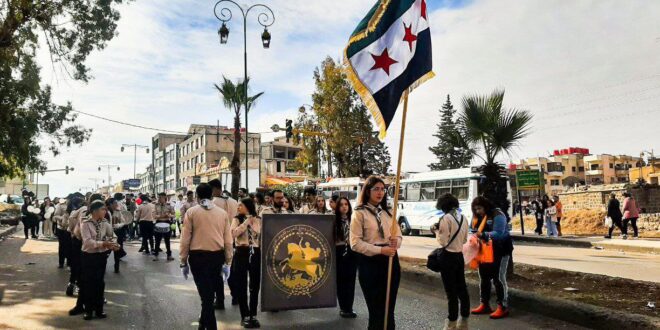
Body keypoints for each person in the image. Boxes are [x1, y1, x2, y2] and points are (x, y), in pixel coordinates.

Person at [350, 176, 402, 330]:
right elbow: (355, 243)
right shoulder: (359, 213)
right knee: (376, 310)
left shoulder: (388, 212)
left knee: (389, 308)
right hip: (370, 263)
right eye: (376, 189)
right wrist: (380, 250)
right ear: (367, 191)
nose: (380, 193)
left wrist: (396, 242)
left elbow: (398, 235)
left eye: (382, 189)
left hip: (391, 261)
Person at [179, 183, 233, 330]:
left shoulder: (191, 212)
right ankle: (204, 324)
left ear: (197, 196)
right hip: (217, 257)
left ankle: (209, 326)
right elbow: (228, 240)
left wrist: (183, 261)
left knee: (206, 296)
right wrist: (228, 261)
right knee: (208, 295)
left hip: (198, 258)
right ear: (211, 195)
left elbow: (185, 239)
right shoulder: (222, 214)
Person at [470, 196, 513, 320]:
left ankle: (502, 306)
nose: (478, 211)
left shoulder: (497, 215)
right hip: (484, 251)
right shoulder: (477, 217)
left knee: (498, 278)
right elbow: (473, 229)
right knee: (483, 277)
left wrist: (483, 234)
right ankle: (485, 303)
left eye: (480, 208)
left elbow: (499, 233)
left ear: (486, 206)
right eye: (476, 209)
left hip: (500, 250)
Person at [431, 193, 469, 330]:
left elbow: (442, 241)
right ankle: (464, 321)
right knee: (462, 289)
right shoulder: (464, 218)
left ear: (443, 206)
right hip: (459, 256)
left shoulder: (445, 218)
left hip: (447, 257)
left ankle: (451, 323)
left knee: (451, 292)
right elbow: (465, 240)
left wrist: (435, 230)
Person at [78, 200, 120, 320]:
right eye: (102, 209)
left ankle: (99, 310)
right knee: (88, 283)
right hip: (88, 256)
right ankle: (88, 311)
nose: (105, 211)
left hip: (101, 256)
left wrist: (114, 243)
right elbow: (87, 242)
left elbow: (112, 235)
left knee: (99, 283)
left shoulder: (105, 223)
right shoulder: (85, 223)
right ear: (95, 211)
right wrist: (104, 243)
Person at [231, 198, 262, 328]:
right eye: (238, 205)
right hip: (241, 252)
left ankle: (253, 314)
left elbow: (259, 233)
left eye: (240, 205)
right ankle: (244, 315)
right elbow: (233, 233)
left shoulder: (259, 219)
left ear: (248, 206)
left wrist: (252, 220)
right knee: (241, 284)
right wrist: (245, 223)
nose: (238, 207)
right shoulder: (236, 219)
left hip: (254, 251)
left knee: (254, 284)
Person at [335, 196, 358, 319]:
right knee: (341, 281)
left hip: (351, 251)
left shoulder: (354, 220)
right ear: (338, 207)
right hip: (339, 251)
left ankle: (349, 307)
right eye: (341, 205)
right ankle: (343, 307)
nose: (344, 207)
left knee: (351, 281)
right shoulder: (334, 221)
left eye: (346, 204)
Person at [107, 198, 128, 273]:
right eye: (115, 203)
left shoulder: (118, 212)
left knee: (117, 250)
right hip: (107, 234)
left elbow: (123, 222)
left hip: (117, 233)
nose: (117, 204)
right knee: (106, 251)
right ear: (110, 204)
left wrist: (118, 225)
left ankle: (117, 267)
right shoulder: (105, 212)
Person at [153, 192, 175, 261]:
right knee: (157, 240)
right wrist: (161, 216)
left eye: (161, 197)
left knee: (167, 240)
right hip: (158, 222)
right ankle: (156, 255)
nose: (159, 199)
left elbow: (173, 214)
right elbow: (154, 216)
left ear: (165, 198)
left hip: (167, 222)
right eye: (159, 197)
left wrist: (169, 215)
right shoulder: (156, 205)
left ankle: (169, 255)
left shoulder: (169, 205)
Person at [53, 198, 71, 268]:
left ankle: (69, 262)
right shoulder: (60, 206)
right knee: (62, 246)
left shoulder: (75, 207)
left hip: (71, 230)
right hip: (62, 229)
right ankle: (61, 263)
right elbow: (55, 216)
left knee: (70, 247)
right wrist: (63, 218)